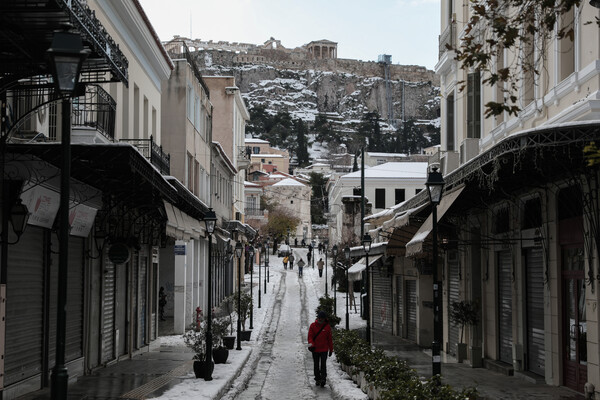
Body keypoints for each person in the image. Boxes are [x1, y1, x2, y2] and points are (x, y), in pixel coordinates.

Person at [308, 311, 333, 387]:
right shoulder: (313, 326)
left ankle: (323, 379)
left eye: (322, 318)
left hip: (324, 349)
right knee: (316, 365)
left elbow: (329, 339)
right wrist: (312, 345)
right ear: (317, 318)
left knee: (323, 365)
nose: (320, 319)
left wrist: (331, 349)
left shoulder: (327, 327)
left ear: (324, 319)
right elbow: (310, 337)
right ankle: (317, 378)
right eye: (319, 318)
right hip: (315, 349)